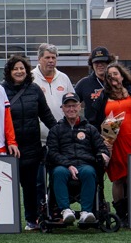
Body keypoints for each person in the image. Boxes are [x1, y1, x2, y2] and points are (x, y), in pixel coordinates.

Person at [45, 93, 107, 225]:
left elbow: (101, 148)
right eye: (67, 106)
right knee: (59, 173)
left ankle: (86, 212)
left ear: (80, 107)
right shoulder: (56, 130)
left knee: (89, 172)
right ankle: (65, 211)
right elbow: (53, 153)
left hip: (85, 164)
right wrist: (68, 165)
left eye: (74, 105)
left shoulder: (90, 129)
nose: (71, 109)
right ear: (62, 108)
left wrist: (104, 154)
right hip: (63, 166)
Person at [2, 55, 49, 229]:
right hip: (9, 147)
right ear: (9, 71)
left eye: (22, 68)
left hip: (31, 147)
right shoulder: (1, 90)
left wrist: (60, 131)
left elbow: (45, 115)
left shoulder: (35, 90)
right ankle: (7, 220)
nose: (19, 71)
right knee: (7, 185)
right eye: (15, 68)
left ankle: (32, 219)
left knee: (31, 186)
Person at [100, 64, 131, 221]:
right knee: (118, 178)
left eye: (115, 74)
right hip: (114, 143)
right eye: (109, 76)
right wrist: (103, 139)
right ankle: (121, 215)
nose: (113, 78)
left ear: (122, 76)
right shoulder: (103, 96)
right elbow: (96, 119)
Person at [71, 47, 115, 127]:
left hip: (116, 129)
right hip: (92, 132)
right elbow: (72, 105)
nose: (100, 65)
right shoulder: (84, 83)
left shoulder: (117, 81)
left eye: (103, 62)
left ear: (109, 63)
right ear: (92, 64)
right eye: (96, 62)